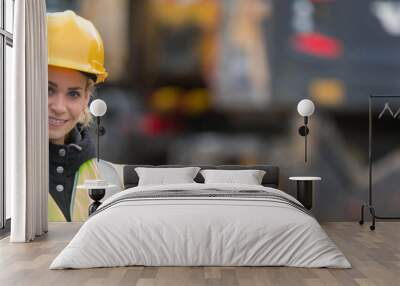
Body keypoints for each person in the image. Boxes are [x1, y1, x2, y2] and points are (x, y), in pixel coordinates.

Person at [47, 10, 123, 222]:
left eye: (73, 94)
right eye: (47, 90)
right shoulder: (7, 171)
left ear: (86, 98)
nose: (60, 107)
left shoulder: (106, 177)